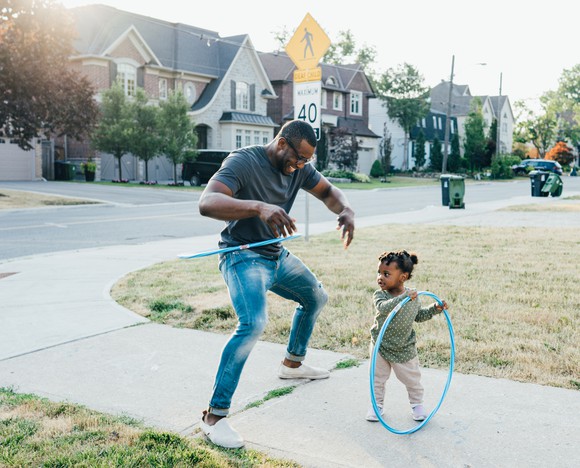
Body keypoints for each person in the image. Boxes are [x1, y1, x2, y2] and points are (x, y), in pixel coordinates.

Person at [198, 119, 355, 448]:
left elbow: (327, 191)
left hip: (275, 256)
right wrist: (258, 207)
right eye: (299, 158)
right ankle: (214, 417)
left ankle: (292, 364)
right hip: (241, 256)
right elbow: (207, 202)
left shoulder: (298, 168)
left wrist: (345, 209)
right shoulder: (244, 161)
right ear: (282, 143)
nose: (301, 167)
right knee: (253, 323)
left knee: (316, 297)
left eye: (306, 162)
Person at [366, 250, 447, 423]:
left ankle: (417, 405)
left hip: (403, 347)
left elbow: (418, 316)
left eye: (386, 274)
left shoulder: (413, 296)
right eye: (379, 272)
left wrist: (435, 309)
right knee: (377, 379)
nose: (380, 277)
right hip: (380, 345)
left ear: (403, 277)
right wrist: (403, 298)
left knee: (412, 379)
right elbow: (383, 308)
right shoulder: (380, 295)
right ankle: (376, 406)